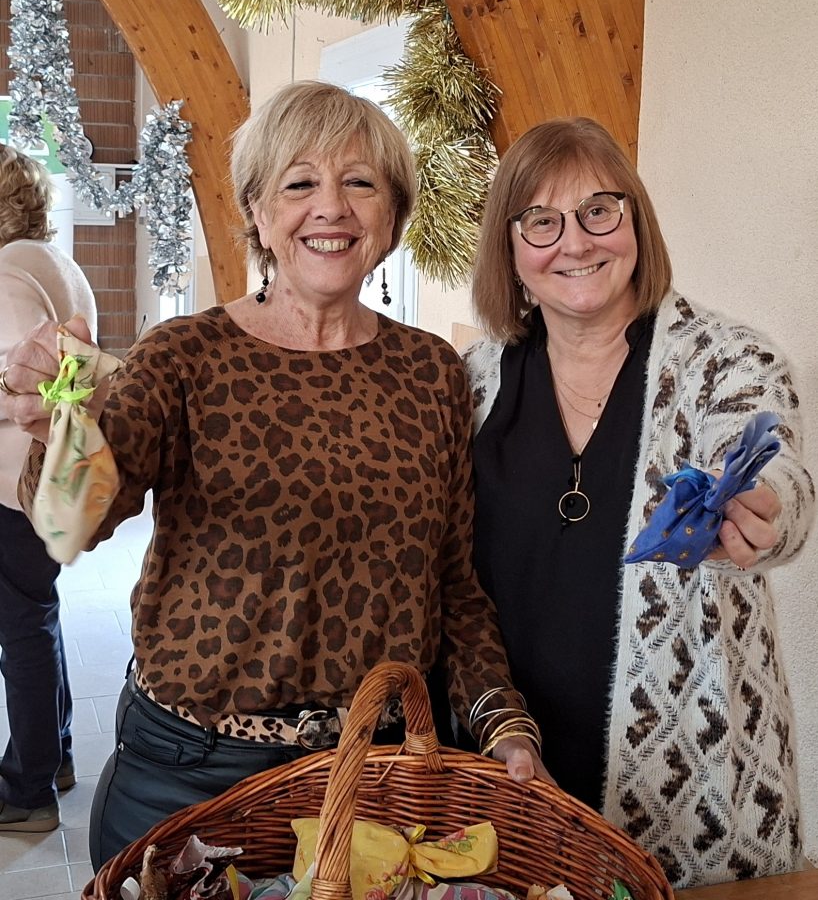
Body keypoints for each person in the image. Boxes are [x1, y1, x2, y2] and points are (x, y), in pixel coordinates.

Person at [0, 82, 544, 867]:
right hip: (191, 771)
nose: (332, 207)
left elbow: (453, 583)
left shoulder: (431, 373)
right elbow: (70, 524)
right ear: (258, 211)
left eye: (360, 182)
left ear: (393, 216)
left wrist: (503, 723)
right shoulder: (183, 356)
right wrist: (62, 422)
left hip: (370, 774)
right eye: (299, 183)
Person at [463, 117, 814, 889]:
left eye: (599, 211)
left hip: (695, 784)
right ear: (510, 251)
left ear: (635, 222)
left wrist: (765, 510)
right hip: (511, 773)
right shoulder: (472, 382)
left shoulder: (729, 360)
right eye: (541, 222)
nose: (575, 242)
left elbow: (779, 472)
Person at [0, 144, 97, 831]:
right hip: (48, 474)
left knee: (21, 631)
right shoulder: (56, 264)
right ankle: (53, 756)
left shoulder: (7, 273)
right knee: (36, 617)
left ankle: (28, 790)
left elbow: (25, 388)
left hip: (12, 478)